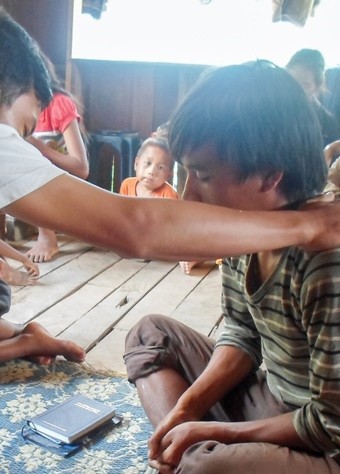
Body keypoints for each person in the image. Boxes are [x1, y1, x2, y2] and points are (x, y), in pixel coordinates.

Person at [3, 10, 340, 365]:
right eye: (24, 130)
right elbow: (136, 228)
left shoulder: (316, 268)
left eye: (203, 176)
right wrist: (310, 225)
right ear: (17, 84)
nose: (20, 142)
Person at [124, 61, 340, 474]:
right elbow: (243, 332)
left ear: (270, 176)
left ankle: (196, 460)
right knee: (150, 334)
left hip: (327, 443)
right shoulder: (242, 228)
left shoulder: (325, 261)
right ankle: (188, 453)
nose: (188, 196)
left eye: (202, 175)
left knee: (211, 467)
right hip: (277, 400)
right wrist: (186, 411)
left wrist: (223, 435)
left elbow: (331, 423)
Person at [25, 51, 89, 263]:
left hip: (62, 187)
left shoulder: (58, 104)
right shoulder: (11, 108)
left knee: (33, 162)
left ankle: (47, 237)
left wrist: (39, 148)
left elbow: (81, 168)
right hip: (32, 192)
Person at [286, 48, 340, 150]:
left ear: (317, 85)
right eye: (291, 81)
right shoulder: (274, 110)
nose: (295, 90)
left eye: (305, 85)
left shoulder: (328, 125)